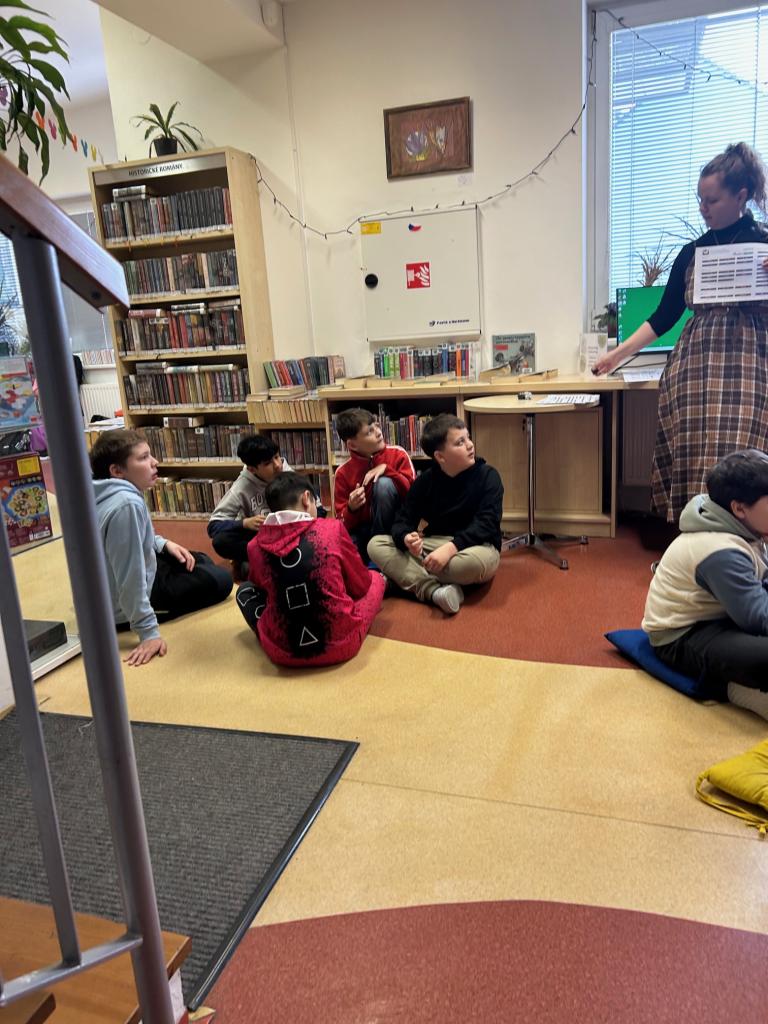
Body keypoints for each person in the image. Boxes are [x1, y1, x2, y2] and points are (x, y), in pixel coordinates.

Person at [593, 142, 768, 524]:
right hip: (695, 368)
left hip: (750, 365)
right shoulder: (692, 252)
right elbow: (664, 316)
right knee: (695, 451)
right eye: (700, 199)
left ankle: (746, 541)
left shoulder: (764, 244)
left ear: (741, 197)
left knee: (745, 456)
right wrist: (616, 356)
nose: (703, 208)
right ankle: (696, 533)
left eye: (712, 200)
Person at [91, 429, 233, 666]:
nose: (154, 462)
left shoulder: (101, 491)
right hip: (124, 605)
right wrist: (148, 632)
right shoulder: (126, 504)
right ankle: (143, 616)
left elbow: (133, 539)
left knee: (198, 559)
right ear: (117, 471)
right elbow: (129, 575)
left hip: (110, 588)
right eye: (143, 458)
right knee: (222, 581)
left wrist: (164, 544)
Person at [642, 449, 768, 712]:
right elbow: (758, 616)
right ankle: (735, 689)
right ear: (739, 508)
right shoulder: (721, 550)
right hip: (682, 635)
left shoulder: (746, 525)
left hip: (723, 613)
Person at [236, 472, 385, 667]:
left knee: (244, 591)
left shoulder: (254, 546)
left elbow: (262, 589)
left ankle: (272, 634)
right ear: (306, 498)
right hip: (342, 644)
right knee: (375, 579)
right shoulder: (332, 529)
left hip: (282, 652)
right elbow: (361, 585)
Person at [367, 413, 503, 615]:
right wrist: (406, 537)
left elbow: (487, 524)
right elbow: (402, 520)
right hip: (435, 545)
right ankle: (434, 591)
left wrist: (451, 548)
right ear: (440, 456)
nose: (470, 445)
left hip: (477, 547)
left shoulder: (488, 476)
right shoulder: (425, 481)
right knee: (375, 545)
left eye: (468, 438)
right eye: (460, 442)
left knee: (471, 565)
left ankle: (403, 579)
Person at [333, 407, 415, 562]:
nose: (378, 432)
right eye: (369, 432)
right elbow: (341, 523)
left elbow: (414, 497)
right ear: (353, 445)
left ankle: (378, 557)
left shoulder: (398, 454)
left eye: (376, 426)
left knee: (383, 484)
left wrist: (388, 470)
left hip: (395, 527)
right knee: (344, 547)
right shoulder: (342, 473)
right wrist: (351, 508)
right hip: (363, 530)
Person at [207, 433, 291, 574]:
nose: (278, 465)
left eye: (277, 457)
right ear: (252, 469)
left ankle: (266, 563)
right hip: (261, 538)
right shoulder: (240, 487)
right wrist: (245, 523)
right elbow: (213, 527)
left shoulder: (286, 471)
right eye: (268, 463)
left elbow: (318, 508)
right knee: (221, 541)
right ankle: (269, 560)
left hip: (288, 533)